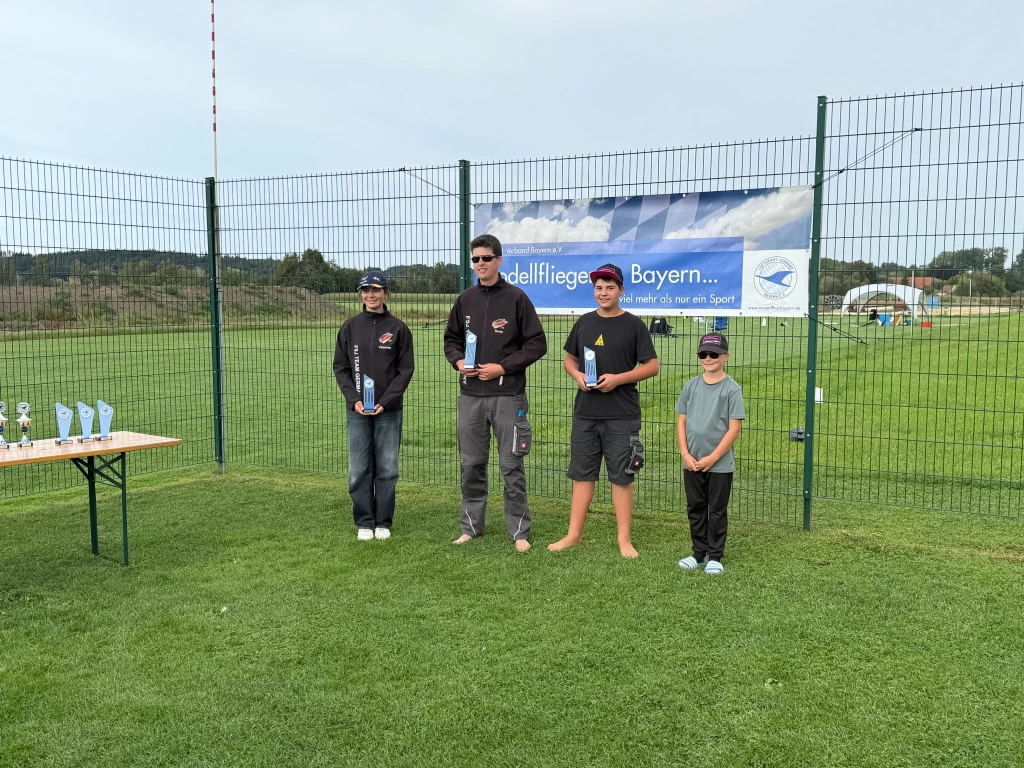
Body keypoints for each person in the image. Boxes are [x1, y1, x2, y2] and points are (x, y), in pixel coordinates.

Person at [443, 234, 547, 552]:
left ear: (499, 260)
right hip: (471, 396)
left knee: (510, 466)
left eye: (486, 258)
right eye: (475, 259)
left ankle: (519, 532)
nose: (480, 264)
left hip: (507, 396)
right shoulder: (465, 300)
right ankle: (471, 527)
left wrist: (503, 368)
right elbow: (451, 341)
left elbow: (537, 344)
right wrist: (458, 361)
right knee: (471, 464)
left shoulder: (516, 298)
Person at [548, 264, 659, 559]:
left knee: (622, 477)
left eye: (610, 287)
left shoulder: (635, 325)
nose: (604, 292)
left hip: (622, 414)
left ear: (621, 291)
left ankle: (624, 541)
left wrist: (618, 380)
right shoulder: (584, 322)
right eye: (599, 287)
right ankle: (573, 535)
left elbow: (652, 366)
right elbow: (569, 361)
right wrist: (577, 376)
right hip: (586, 412)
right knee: (582, 475)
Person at [333, 270, 415, 541]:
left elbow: (405, 370)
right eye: (366, 291)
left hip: (388, 411)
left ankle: (383, 522)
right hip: (357, 411)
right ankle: (364, 522)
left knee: (388, 469)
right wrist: (354, 400)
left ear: (386, 293)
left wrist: (386, 401)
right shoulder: (349, 327)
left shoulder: (399, 329)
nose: (371, 295)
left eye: (376, 290)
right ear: (361, 294)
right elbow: (341, 368)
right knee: (359, 469)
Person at [675, 333, 745, 575]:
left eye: (714, 354)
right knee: (695, 507)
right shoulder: (690, 386)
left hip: (719, 465)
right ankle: (698, 553)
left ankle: (715, 555)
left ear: (725, 357)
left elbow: (734, 429)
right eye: (703, 354)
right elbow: (681, 422)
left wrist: (712, 458)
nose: (708, 358)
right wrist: (685, 454)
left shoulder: (732, 389)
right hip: (692, 462)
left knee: (716, 509)